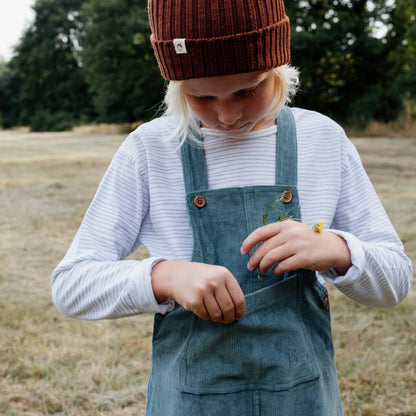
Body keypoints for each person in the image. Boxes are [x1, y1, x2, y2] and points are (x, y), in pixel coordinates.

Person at [51, 0, 413, 414]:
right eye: (202, 96)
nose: (227, 115)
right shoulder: (151, 150)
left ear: (277, 68)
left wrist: (336, 249)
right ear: (175, 84)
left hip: (303, 401)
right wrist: (165, 276)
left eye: (248, 89)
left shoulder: (323, 141)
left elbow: (397, 280)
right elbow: (71, 286)